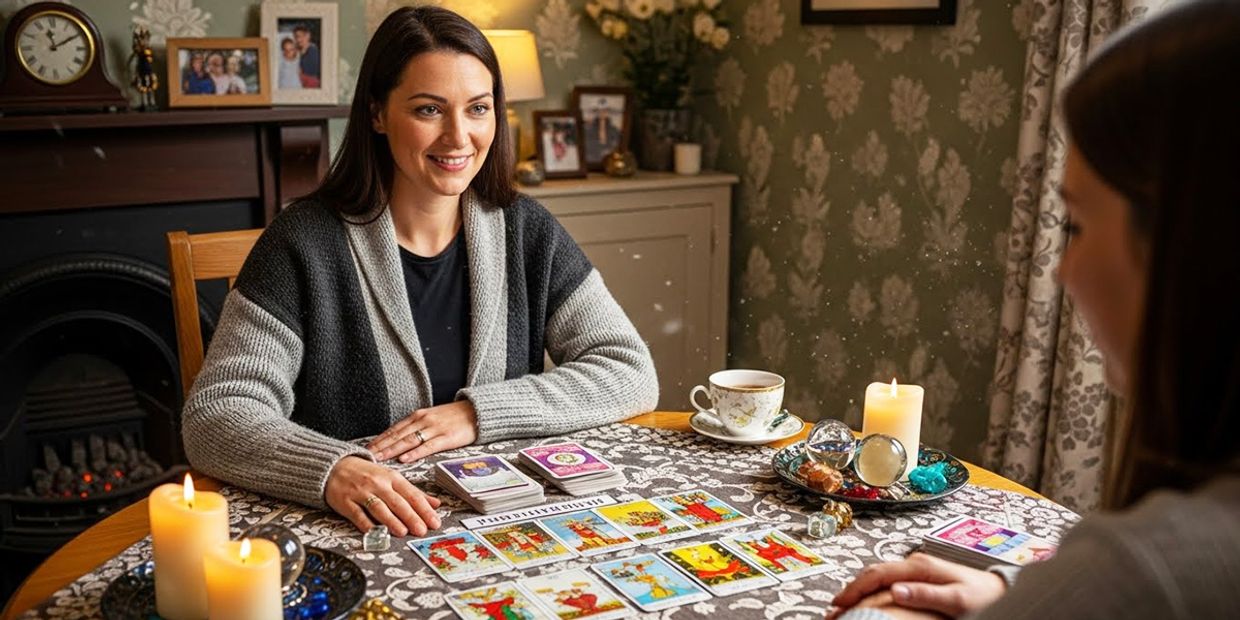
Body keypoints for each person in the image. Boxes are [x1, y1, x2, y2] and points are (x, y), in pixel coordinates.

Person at [180, 6, 658, 539]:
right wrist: (333, 470)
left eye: (478, 109)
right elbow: (217, 415)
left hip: (503, 526)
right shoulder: (302, 243)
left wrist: (476, 414)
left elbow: (629, 371)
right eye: (429, 109)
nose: (458, 137)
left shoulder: (527, 230)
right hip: (359, 532)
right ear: (377, 114)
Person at [829, 1, 1240, 618]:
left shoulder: (1148, 568)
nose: (1063, 271)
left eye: (1077, 226)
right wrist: (1019, 597)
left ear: (1189, 249)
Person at [583, 99, 621, 165]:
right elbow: (587, 146)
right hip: (593, 161)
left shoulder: (614, 130)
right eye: (600, 110)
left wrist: (609, 151)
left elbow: (618, 145)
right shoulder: (588, 129)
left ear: (608, 112)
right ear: (597, 112)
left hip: (610, 162)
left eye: (605, 110)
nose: (602, 112)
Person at [294, 23, 321, 88]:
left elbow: (311, 75)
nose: (298, 40)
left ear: (308, 36)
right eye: (296, 37)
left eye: (300, 36)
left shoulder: (313, 51)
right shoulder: (299, 51)